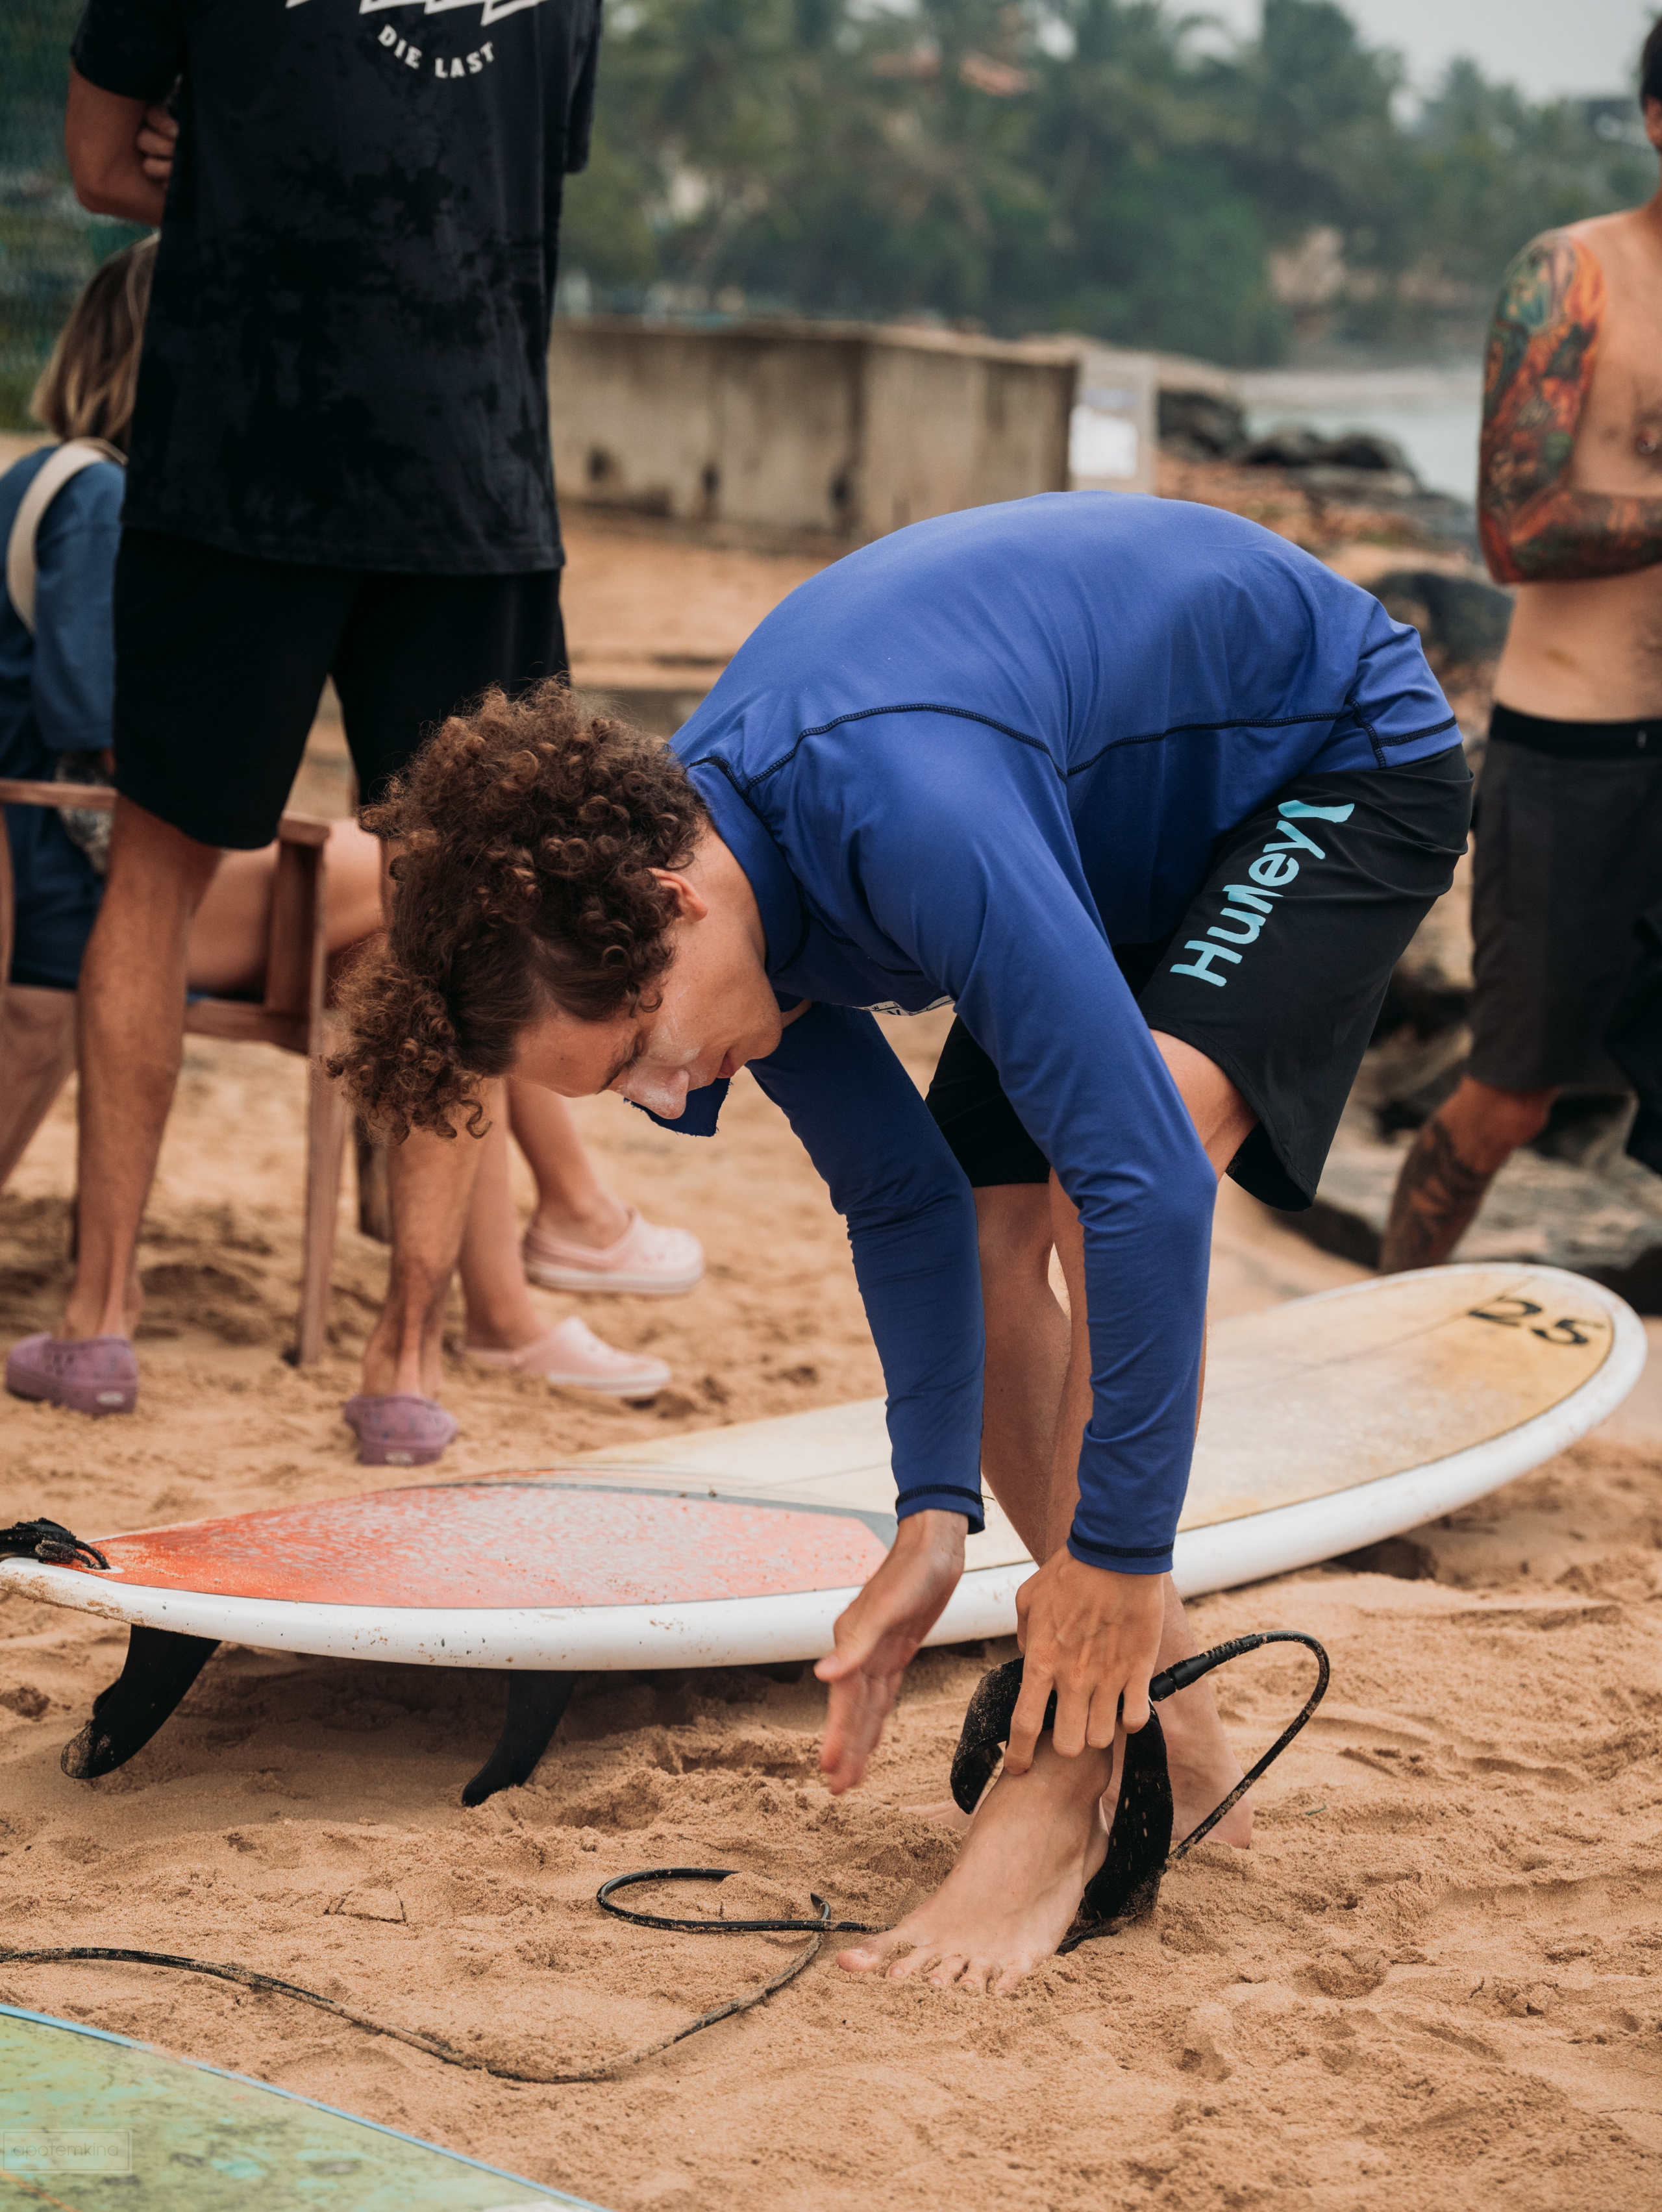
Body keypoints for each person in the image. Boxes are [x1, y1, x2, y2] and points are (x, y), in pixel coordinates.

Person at [335, 491, 1470, 1989]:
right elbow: (906, 1201)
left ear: (669, 910)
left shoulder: (901, 815)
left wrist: (1115, 1561)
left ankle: (1063, 1791)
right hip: (1095, 820)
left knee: (1094, 1181)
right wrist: (931, 1521)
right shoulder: (714, 906)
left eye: (634, 1059)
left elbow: (1147, 1187)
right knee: (1000, 1220)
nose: (670, 1097)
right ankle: (1176, 1743)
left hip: (1324, 756)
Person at [8, 0, 699, 1455]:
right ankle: (406, 1372)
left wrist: (239, 166)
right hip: (471, 472)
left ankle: (100, 1325)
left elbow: (100, 167)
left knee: (155, 871)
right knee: (447, 906)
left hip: (238, 456)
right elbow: (479, 187)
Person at [1380, 23, 1662, 1271]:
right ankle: (1383, 1326)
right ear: (1658, 121)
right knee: (1511, 1094)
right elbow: (1515, 526)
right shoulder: (1579, 276)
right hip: (1578, 759)